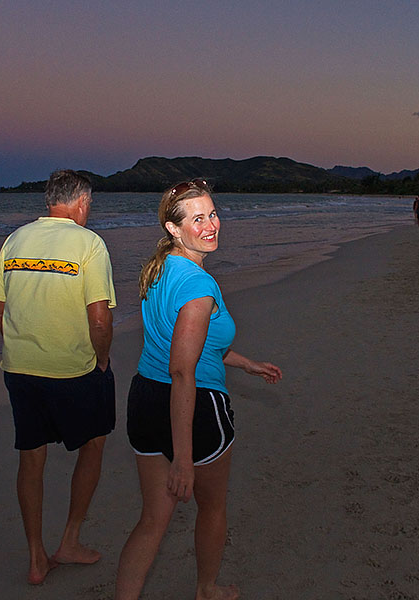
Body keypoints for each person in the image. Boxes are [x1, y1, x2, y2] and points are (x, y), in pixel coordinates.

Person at [115, 179, 282, 600]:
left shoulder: (159, 268)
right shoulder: (199, 286)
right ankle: (206, 588)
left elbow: (188, 344)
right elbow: (184, 371)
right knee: (211, 507)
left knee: (153, 519)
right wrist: (183, 459)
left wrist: (246, 364)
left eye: (212, 214)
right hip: (193, 408)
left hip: (146, 400)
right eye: (197, 219)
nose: (211, 225)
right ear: (174, 229)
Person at [0, 169, 116, 585]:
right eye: (89, 204)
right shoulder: (89, 243)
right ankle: (70, 540)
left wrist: (24, 347)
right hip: (73, 369)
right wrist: (102, 360)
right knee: (94, 443)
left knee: (31, 456)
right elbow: (99, 319)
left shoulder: (15, 240)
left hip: (19, 369)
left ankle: (35, 557)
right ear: (81, 203)